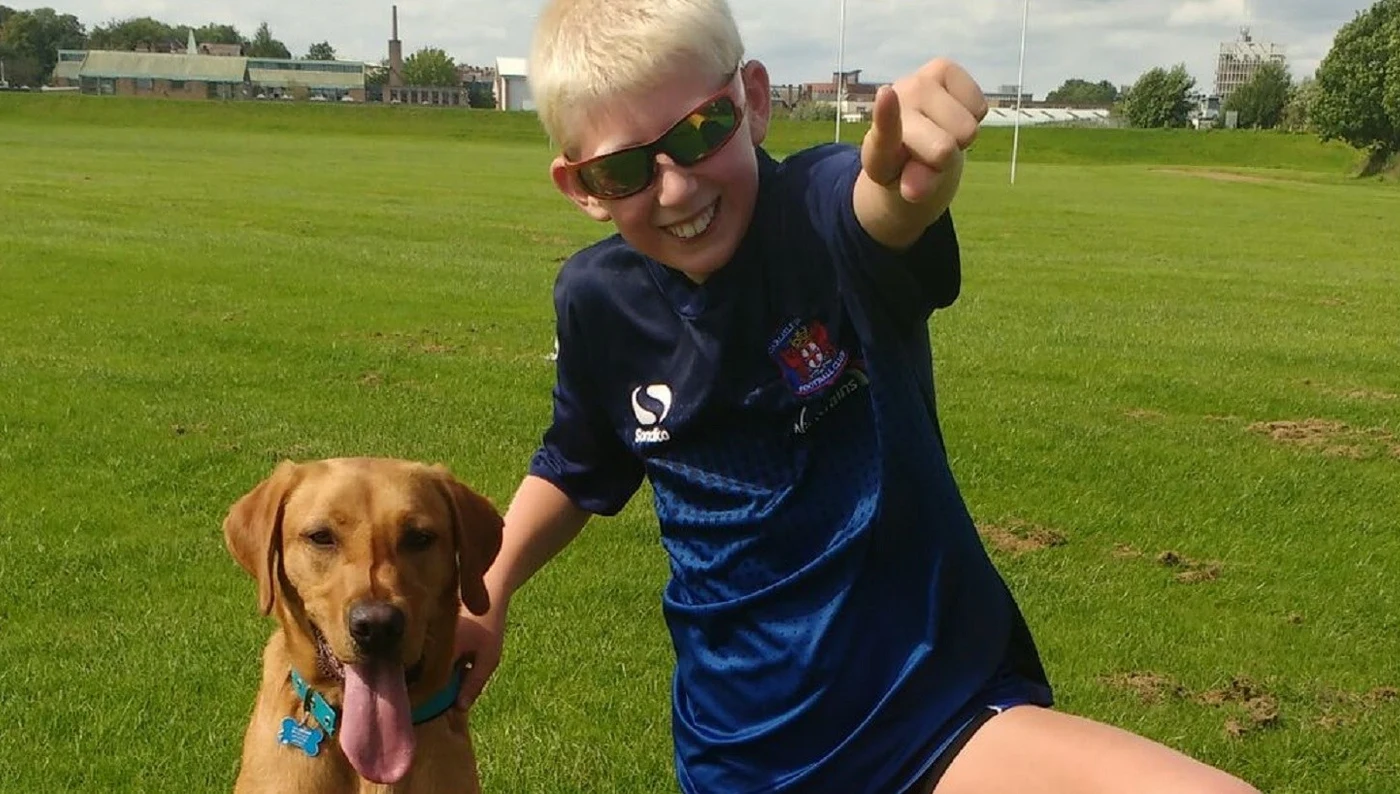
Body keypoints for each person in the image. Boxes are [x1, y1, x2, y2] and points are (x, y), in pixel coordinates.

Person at [453, 1, 1262, 792]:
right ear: (579, 185)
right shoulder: (599, 300)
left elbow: (876, 211)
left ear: (754, 102)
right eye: (624, 169)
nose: (674, 189)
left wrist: (907, 179)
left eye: (700, 133)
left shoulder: (817, 207)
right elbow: (580, 461)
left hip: (938, 714)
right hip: (742, 755)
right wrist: (485, 600)